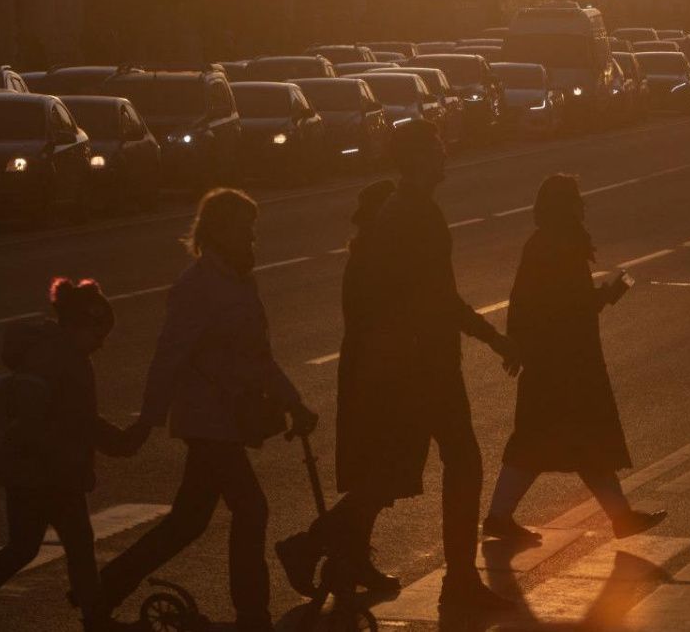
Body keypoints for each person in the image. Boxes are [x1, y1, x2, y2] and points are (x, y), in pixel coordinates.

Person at [94, 189, 318, 632]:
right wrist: (148, 419)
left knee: (188, 522)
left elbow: (258, 356)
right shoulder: (196, 287)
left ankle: (101, 590)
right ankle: (252, 614)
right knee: (251, 509)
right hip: (207, 420)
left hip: (229, 420)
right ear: (219, 233)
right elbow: (169, 356)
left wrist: (293, 401)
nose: (252, 242)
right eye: (245, 232)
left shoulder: (237, 280)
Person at [353, 120, 521, 612]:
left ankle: (321, 543)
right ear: (419, 158)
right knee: (463, 463)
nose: (445, 156)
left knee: (396, 468)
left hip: (410, 357)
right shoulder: (417, 214)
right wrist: (494, 339)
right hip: (425, 360)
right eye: (437, 149)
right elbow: (437, 299)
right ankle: (461, 582)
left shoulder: (402, 209)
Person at [483, 175, 666, 543]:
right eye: (577, 200)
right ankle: (500, 518)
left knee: (568, 442)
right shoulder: (558, 246)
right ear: (565, 206)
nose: (583, 206)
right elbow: (564, 305)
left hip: (556, 359)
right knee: (556, 441)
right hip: (564, 363)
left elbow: (532, 302)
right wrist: (607, 295)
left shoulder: (546, 243)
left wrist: (518, 345)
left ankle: (619, 516)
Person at [0, 278, 132, 632]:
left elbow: (75, 419)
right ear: (79, 325)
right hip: (50, 472)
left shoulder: (51, 353)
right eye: (98, 334)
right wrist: (118, 441)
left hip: (33, 470)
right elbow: (77, 420)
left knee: (29, 547)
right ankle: (96, 620)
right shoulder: (63, 361)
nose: (101, 344)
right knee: (72, 545)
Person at [281, 179, 403, 595]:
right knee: (380, 478)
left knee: (379, 479)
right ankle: (309, 545)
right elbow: (381, 324)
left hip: (374, 374)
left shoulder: (377, 254)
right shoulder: (375, 259)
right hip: (375, 379)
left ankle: (350, 560)